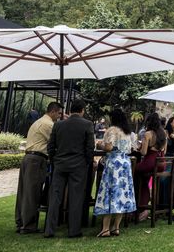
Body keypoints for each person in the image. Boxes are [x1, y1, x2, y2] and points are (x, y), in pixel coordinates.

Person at [44, 99, 95, 238]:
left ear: (70, 110)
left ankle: (49, 230)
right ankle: (74, 230)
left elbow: (51, 146)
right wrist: (86, 162)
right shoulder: (87, 124)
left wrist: (55, 160)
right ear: (82, 110)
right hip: (78, 165)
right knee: (76, 198)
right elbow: (90, 148)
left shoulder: (58, 124)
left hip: (60, 165)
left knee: (55, 197)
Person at [15, 101, 62, 234]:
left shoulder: (38, 122)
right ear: (52, 112)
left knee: (23, 192)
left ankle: (21, 222)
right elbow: (56, 142)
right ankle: (28, 225)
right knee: (32, 193)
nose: (59, 116)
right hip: (37, 159)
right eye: (58, 113)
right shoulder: (48, 124)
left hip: (28, 158)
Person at [94, 109, 136, 237]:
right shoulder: (128, 132)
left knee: (110, 193)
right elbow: (132, 148)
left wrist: (100, 145)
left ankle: (105, 228)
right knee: (122, 194)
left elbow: (109, 147)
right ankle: (116, 227)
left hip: (114, 164)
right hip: (125, 163)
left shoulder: (112, 130)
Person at [135, 113, 168, 221]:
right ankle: (144, 207)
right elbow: (165, 151)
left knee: (133, 172)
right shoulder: (164, 133)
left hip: (150, 162)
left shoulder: (148, 134)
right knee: (144, 180)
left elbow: (144, 153)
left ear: (149, 122)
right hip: (161, 164)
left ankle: (139, 207)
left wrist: (139, 148)